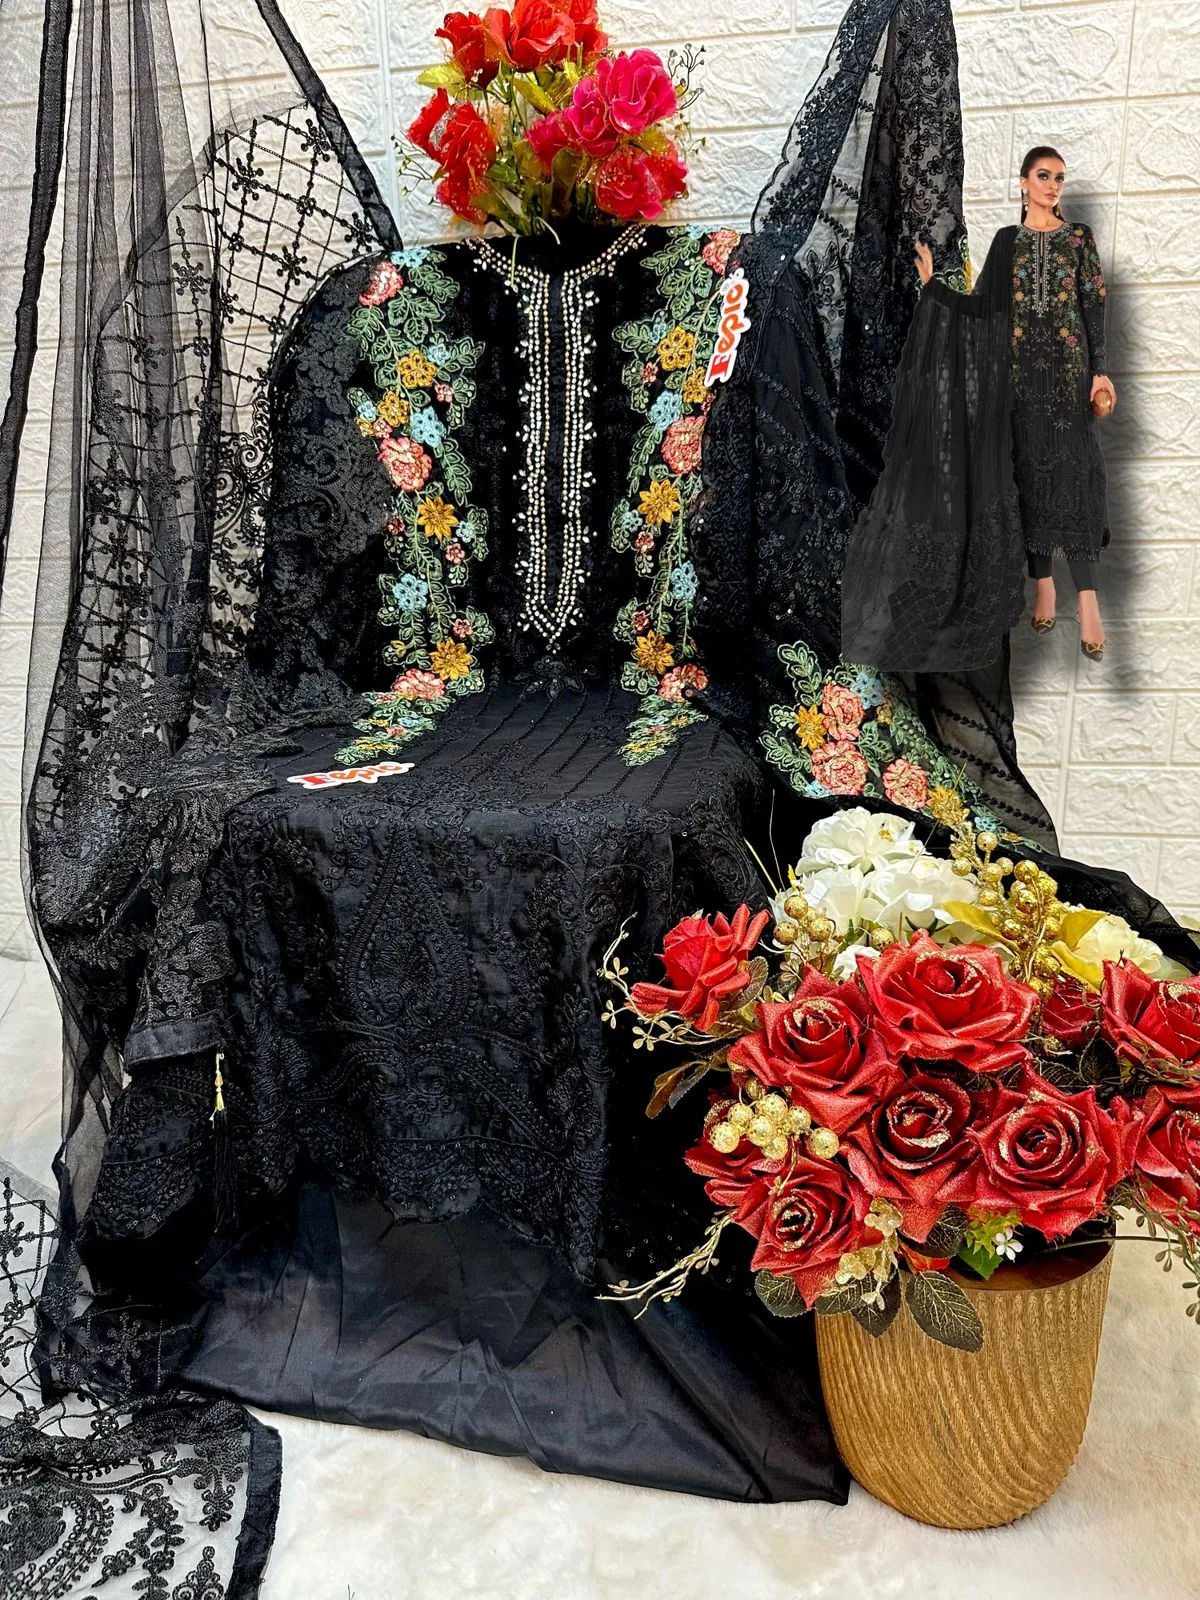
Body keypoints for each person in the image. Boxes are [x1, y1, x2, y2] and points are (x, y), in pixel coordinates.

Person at [841, 144, 1116, 669]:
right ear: (1023, 182)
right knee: (1029, 482)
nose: (1053, 185)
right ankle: (1043, 589)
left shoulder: (1079, 239)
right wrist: (934, 291)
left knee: (1076, 480)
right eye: (1043, 175)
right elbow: (986, 307)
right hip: (1019, 386)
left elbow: (1093, 303)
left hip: (1068, 382)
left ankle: (1088, 604)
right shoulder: (1008, 242)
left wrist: (1099, 369)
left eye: (1059, 178)